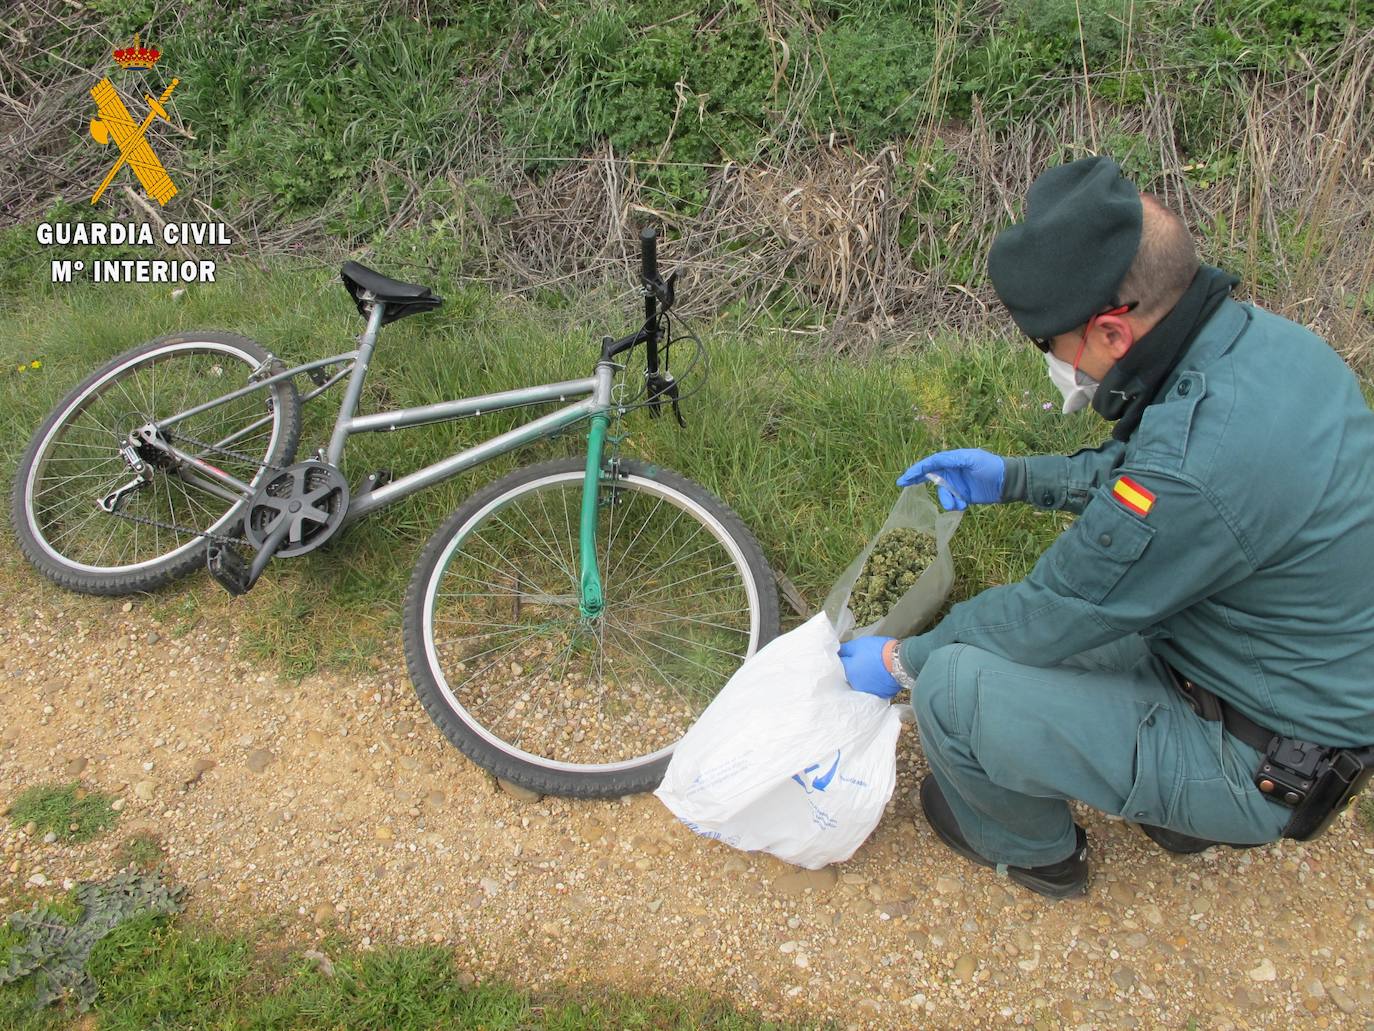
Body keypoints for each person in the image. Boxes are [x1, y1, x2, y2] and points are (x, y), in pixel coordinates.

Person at [838, 156, 1374, 899]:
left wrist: (901, 659)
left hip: (1265, 758)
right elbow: (1145, 473)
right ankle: (1178, 809)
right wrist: (1013, 477)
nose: (1052, 361)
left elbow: (1056, 607)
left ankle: (1038, 853)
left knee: (952, 686)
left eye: (1048, 346)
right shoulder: (1263, 348)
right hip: (1266, 676)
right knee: (1021, 647)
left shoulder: (1196, 463)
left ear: (1113, 333)